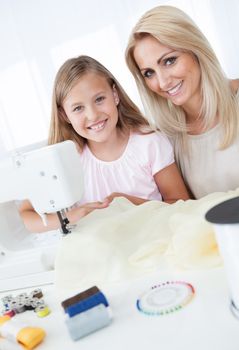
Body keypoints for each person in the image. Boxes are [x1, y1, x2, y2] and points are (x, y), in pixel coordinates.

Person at [19, 55, 189, 233]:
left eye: (99, 99)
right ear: (64, 115)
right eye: (78, 108)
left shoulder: (149, 143)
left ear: (114, 95)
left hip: (155, 239)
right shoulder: (67, 161)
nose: (93, 115)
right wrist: (70, 217)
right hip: (101, 250)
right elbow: (26, 215)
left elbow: (182, 205)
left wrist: (127, 203)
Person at [125, 5, 239, 199]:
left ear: (195, 49)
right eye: (149, 73)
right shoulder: (166, 137)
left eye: (169, 61)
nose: (162, 82)